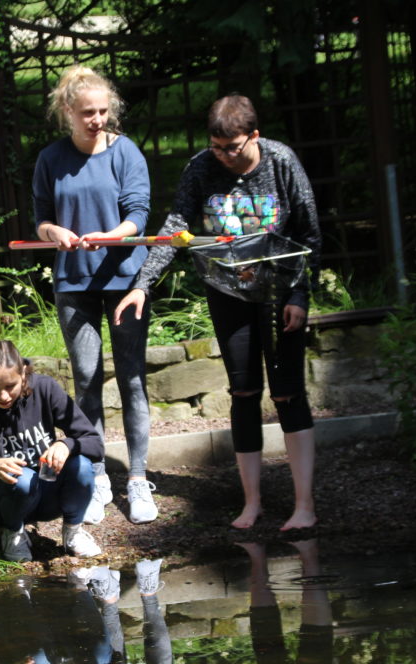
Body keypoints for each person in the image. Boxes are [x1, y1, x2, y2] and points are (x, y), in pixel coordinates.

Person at [115, 94, 322, 531]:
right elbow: (176, 227)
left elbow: (309, 232)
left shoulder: (282, 162)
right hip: (226, 291)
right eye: (217, 147)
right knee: (244, 393)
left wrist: (299, 296)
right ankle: (252, 503)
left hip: (280, 292)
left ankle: (304, 505)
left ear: (254, 136)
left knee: (286, 393)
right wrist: (142, 285)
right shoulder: (201, 167)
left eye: (234, 147)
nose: (226, 156)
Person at [32, 65, 156, 525]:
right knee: (86, 380)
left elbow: (139, 214)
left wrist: (113, 235)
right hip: (74, 283)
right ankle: (98, 473)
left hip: (124, 280)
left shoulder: (126, 153)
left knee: (133, 377)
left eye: (103, 111)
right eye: (87, 112)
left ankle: (139, 479)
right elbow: (40, 218)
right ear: (69, 111)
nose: (97, 119)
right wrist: (54, 232)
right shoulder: (51, 158)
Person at [0, 340, 103, 562]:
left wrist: (65, 445)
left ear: (23, 373)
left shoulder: (45, 388)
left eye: (10, 386)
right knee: (22, 478)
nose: (3, 396)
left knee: (82, 466)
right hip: (1, 501)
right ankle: (13, 532)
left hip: (47, 493)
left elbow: (94, 443)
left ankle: (73, 532)